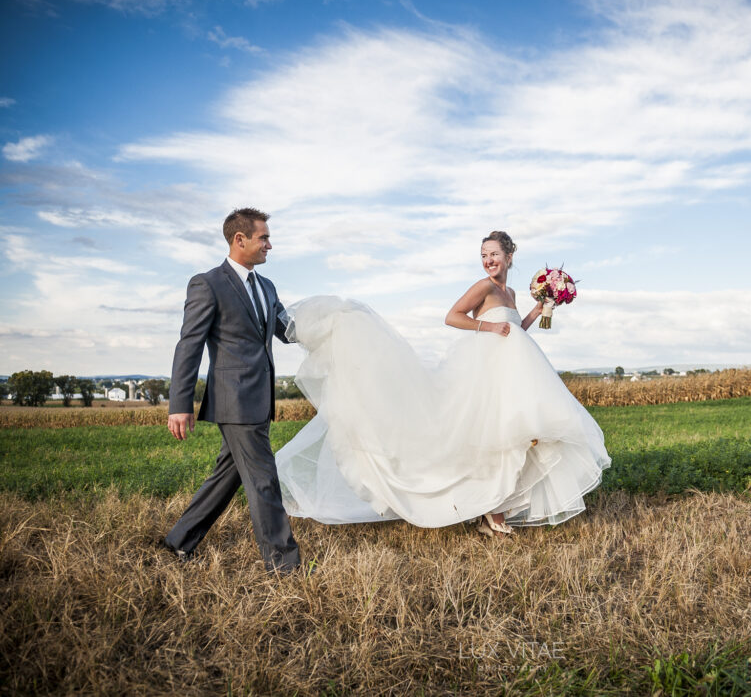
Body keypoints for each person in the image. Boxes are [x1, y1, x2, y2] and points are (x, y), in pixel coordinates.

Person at [274, 231, 611, 535]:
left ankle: (495, 509)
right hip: (485, 370)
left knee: (517, 436)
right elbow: (453, 316)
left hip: (512, 369)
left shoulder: (508, 292)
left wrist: (539, 310)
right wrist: (487, 328)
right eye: (484, 255)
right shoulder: (484, 287)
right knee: (489, 435)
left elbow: (515, 329)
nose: (488, 261)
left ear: (510, 257)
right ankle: (489, 512)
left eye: (494, 254)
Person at [163, 207, 302, 573]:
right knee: (263, 480)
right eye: (264, 238)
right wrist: (180, 404)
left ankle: (179, 539)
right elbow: (188, 345)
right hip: (234, 399)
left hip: (260, 399)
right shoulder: (207, 284)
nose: (270, 245)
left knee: (228, 475)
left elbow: (287, 332)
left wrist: (331, 329)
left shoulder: (267, 287)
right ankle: (284, 565)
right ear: (239, 240)